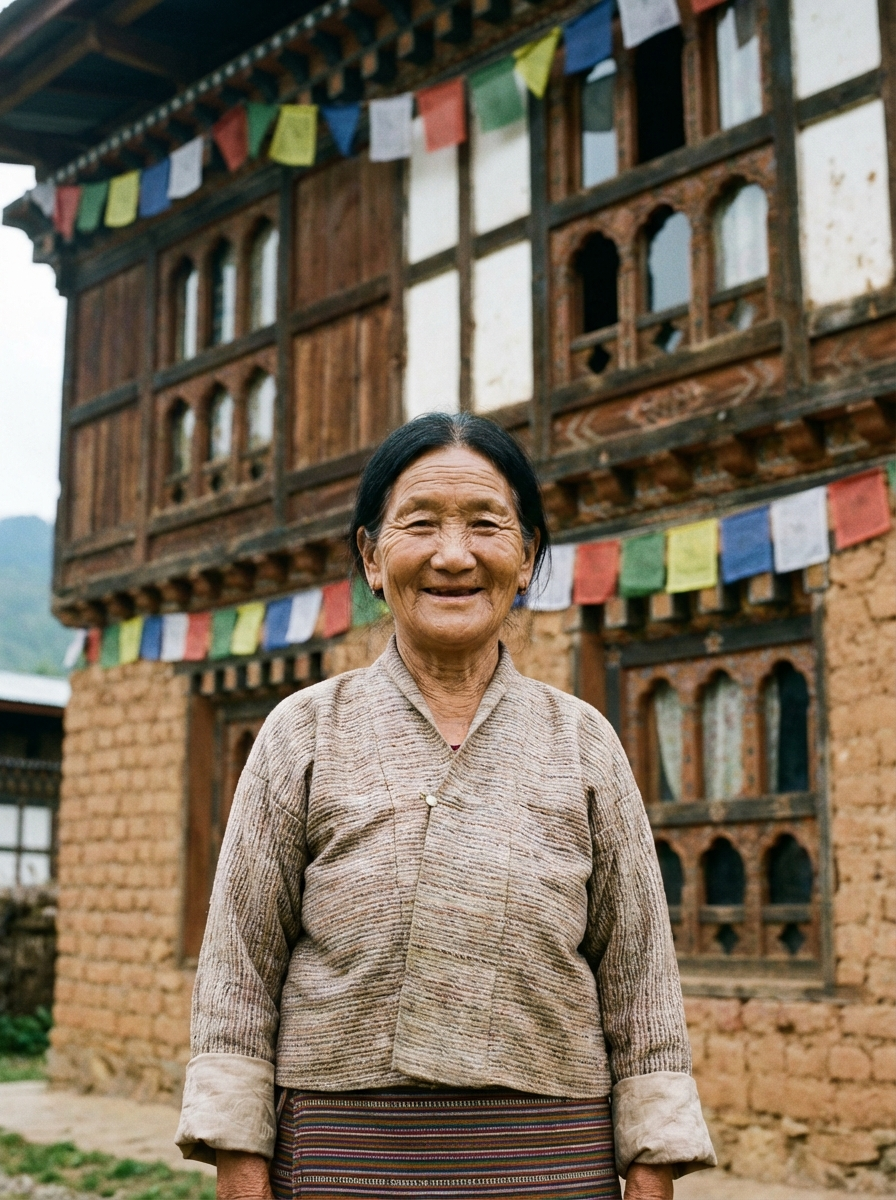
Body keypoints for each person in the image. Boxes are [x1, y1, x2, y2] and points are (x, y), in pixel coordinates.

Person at [176, 412, 716, 1200]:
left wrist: (653, 1167)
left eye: (487, 525)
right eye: (419, 524)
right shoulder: (303, 732)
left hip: (552, 1159)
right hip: (342, 1159)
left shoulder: (583, 741)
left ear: (527, 556)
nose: (454, 555)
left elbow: (641, 981)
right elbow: (238, 975)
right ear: (371, 556)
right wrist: (241, 1171)